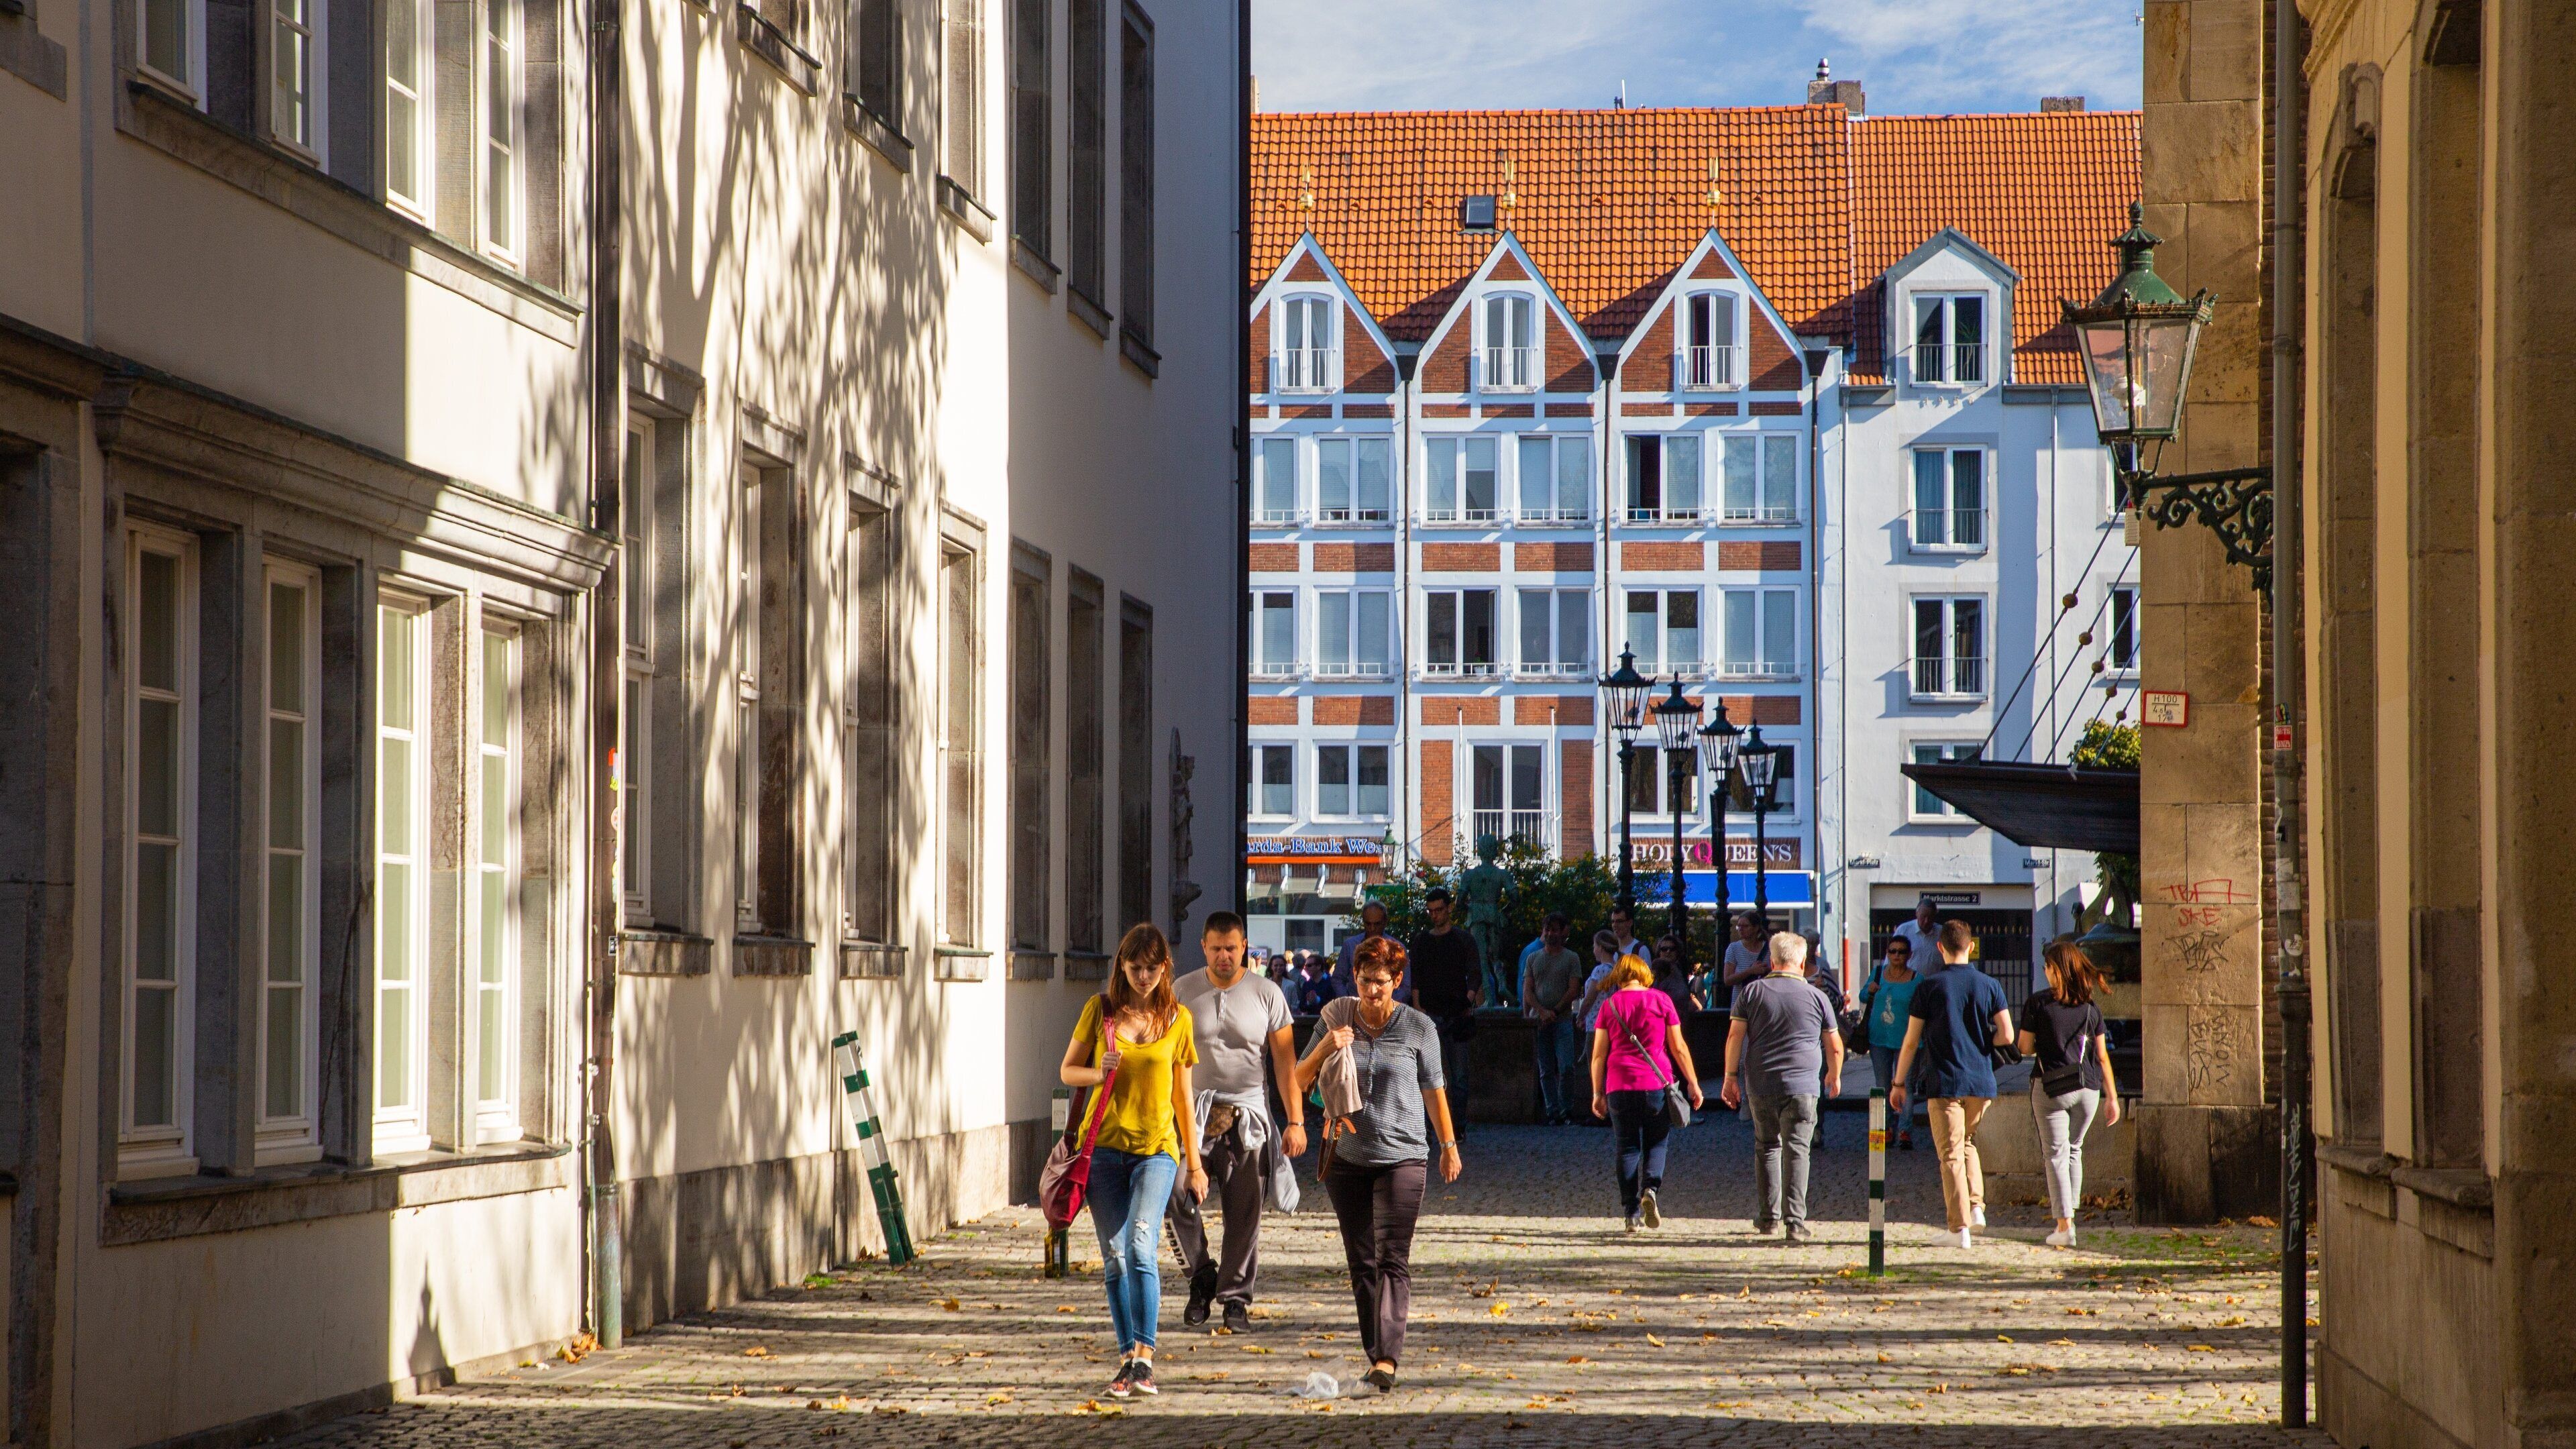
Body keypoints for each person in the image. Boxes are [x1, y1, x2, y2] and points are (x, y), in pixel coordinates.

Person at [1295, 938, 1461, 1393]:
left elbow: (1434, 1089)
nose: (1371, 991)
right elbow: (1299, 1078)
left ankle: (1387, 1357)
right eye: (1365, 980)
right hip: (1347, 1157)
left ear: (1397, 982)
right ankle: (1376, 1351)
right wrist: (1326, 1046)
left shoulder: (1419, 1027)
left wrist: (1447, 1144)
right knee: (1361, 1260)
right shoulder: (1336, 1016)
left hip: (1403, 1155)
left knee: (1392, 1257)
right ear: (1355, 978)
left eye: (1381, 983)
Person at [1057, 923, 1207, 1397]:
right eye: (1135, 967)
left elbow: (1183, 1097)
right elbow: (1067, 1071)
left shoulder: (1179, 1019)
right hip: (1102, 1150)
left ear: (1165, 969)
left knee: (1142, 1247)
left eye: (1152, 968)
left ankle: (1145, 1357)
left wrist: (1195, 1164)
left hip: (1156, 1151)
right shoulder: (1099, 1011)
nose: (1144, 976)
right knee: (1115, 1258)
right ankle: (1126, 1360)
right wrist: (1097, 1074)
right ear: (1122, 966)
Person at [1168, 912, 1307, 1333]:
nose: (1224, 956)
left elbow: (1285, 1064)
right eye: (1216, 948)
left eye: (1231, 948)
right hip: (1194, 1114)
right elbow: (1167, 1062)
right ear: (1204, 947)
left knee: (1245, 1213)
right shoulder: (1181, 991)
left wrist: (1296, 1121)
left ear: (1244, 946)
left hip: (1248, 1114)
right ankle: (1201, 1276)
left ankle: (1234, 1299)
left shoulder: (1267, 993)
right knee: (1173, 1194)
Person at [1888, 919, 2016, 1248]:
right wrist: (1983, 1041)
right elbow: (2007, 1035)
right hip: (1981, 1082)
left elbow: (1911, 1041)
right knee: (1967, 1143)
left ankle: (1958, 1230)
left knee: (1950, 1155)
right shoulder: (1990, 985)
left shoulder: (1929, 987)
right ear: (1971, 947)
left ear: (1939, 947)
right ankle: (1976, 1208)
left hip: (1945, 1081)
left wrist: (1899, 1082)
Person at [1719, 931, 1843, 1242]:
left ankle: (1768, 1218)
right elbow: (1835, 1045)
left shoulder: (1752, 992)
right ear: (1802, 962)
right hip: (1803, 1084)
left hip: (1762, 1082)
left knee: (1767, 1147)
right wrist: (1834, 1075)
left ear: (1772, 961)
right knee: (1798, 1149)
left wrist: (1730, 1076)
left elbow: (1734, 1037)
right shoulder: (1817, 997)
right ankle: (1795, 1223)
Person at [2019, 936, 2123, 1248]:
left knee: (2055, 1155)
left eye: (2047, 967)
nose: (2045, 972)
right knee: (2074, 1150)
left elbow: (2024, 1047)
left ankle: (2065, 1225)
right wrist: (2112, 1098)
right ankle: (2071, 1216)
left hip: (2051, 1087)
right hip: (2088, 1090)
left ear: (2056, 970)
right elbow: (2102, 1057)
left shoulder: (2038, 1004)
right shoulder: (2090, 1008)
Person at [1589, 954, 1703, 1230]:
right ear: (1644, 974)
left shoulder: (1610, 1005)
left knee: (1627, 1147)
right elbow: (1679, 1047)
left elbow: (1598, 1055)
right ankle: (1650, 1189)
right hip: (1656, 1083)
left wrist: (1597, 1093)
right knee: (1657, 1143)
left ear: (1619, 976)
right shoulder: (1661, 1000)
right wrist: (1693, 1083)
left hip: (1619, 1084)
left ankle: (1631, 1214)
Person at [1407, 888, 1483, 1108]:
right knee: (1431, 1075)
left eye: (1438, 910)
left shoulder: (1463, 939)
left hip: (1456, 1013)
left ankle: (1457, 1123)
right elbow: (1416, 977)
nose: (1435, 915)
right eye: (1431, 911)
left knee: (1459, 1076)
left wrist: (1467, 1000)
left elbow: (1475, 973)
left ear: (1448, 909)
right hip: (1431, 1013)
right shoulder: (1422, 941)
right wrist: (1418, 1007)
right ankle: (1436, 1122)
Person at [1857, 934, 1923, 1149]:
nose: (1896, 955)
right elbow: (1862, 996)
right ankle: (1883, 1129)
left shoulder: (1917, 979)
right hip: (1879, 1039)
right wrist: (1869, 990)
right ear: (1887, 953)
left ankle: (1905, 1130)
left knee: (1906, 1085)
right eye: (1892, 951)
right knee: (1882, 1086)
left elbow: (1923, 1008)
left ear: (1909, 955)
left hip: (1907, 1042)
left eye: (1901, 952)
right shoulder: (1878, 973)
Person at [1519, 913, 1587, 1125]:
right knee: (1545, 1069)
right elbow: (1527, 990)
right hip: (1540, 1021)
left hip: (1562, 1019)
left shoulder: (1571, 958)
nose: (1550, 934)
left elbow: (1573, 990)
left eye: (1554, 930)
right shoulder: (1533, 958)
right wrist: (1539, 1012)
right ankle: (1552, 1111)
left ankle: (1566, 1110)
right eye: (1547, 930)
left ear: (1562, 932)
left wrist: (1554, 1011)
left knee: (1566, 1067)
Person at [1334, 900, 1406, 1000]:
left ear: (1385, 922)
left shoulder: (1397, 948)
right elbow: (1338, 979)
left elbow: (1405, 986)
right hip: (1357, 1005)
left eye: (1377, 924)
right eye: (1368, 924)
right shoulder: (1350, 945)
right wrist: (1348, 1002)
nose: (1372, 928)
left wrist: (1388, 1003)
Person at [1719, 912, 1771, 1006]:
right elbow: (1728, 980)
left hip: (1764, 1003)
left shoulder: (1769, 949)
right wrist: (1750, 971)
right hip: (1741, 1005)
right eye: (1739, 926)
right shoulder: (1734, 948)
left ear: (1756, 928)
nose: (1741, 929)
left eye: (1746, 926)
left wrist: (1766, 970)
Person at [1648, 934, 1697, 1019]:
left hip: (1680, 1018)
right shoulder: (1656, 971)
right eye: (1664, 949)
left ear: (1677, 952)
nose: (1668, 952)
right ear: (1659, 952)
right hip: (1664, 1019)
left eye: (1672, 949)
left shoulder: (1679, 970)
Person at [1891, 896, 1942, 966]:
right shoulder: (1903, 930)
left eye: (1930, 917)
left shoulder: (1941, 933)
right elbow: (1891, 957)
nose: (1926, 921)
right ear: (1917, 914)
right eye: (1923, 916)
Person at [1293, 950, 1340, 1015]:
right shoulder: (1307, 984)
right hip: (1311, 1020)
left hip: (1327, 1019)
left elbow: (1335, 1004)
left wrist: (1318, 1000)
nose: (1306, 968)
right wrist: (1309, 1002)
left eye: (1309, 965)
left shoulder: (1331, 982)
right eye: (1305, 966)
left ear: (1319, 966)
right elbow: (1302, 1007)